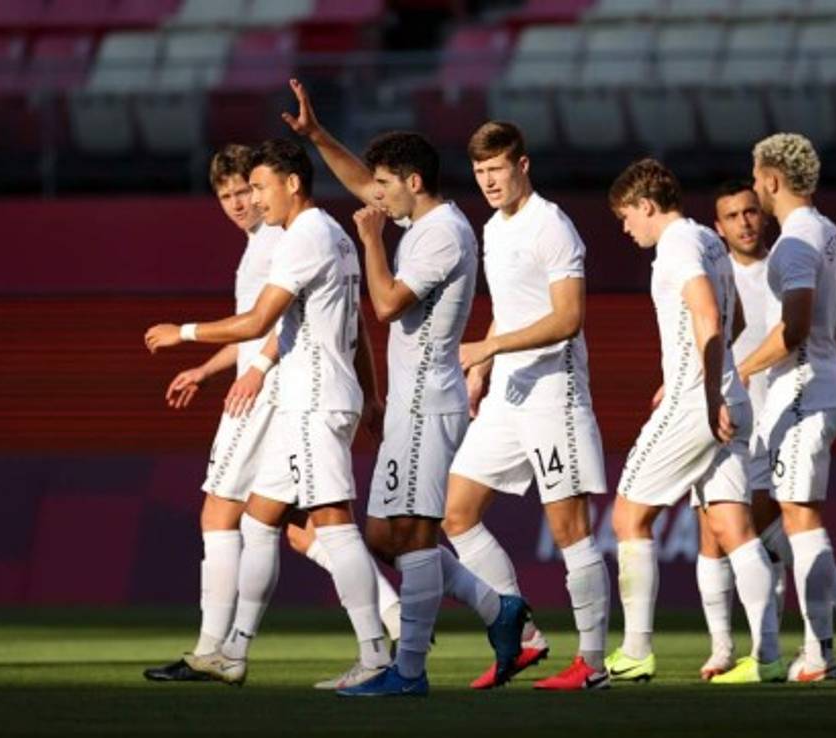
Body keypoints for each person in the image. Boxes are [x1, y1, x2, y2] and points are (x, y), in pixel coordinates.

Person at [279, 81, 529, 696]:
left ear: (413, 182)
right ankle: (499, 609)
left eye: (385, 185)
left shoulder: (443, 233)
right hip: (408, 407)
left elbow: (388, 303)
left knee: (415, 536)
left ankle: (409, 671)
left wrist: (370, 242)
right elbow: (363, 185)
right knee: (384, 537)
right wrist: (317, 137)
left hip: (427, 405)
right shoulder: (418, 217)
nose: (375, 195)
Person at [142, 144, 401, 683]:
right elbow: (352, 327)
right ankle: (232, 653)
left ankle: (377, 654)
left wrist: (183, 333)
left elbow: (259, 322)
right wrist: (370, 394)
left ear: (292, 184)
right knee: (260, 519)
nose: (254, 201)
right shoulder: (331, 233)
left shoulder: (302, 237)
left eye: (258, 188)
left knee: (333, 525)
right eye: (242, 192)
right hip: (308, 400)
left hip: (312, 399)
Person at [446, 120, 612, 691]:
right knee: (456, 512)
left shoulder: (553, 226)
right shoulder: (493, 228)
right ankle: (522, 636)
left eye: (497, 169)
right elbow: (510, 309)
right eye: (479, 172)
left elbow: (568, 318)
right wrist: (482, 372)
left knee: (570, 530)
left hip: (552, 395)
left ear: (522, 165)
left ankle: (593, 664)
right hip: (507, 395)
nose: (488, 181)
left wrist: (490, 347)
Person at [606, 158, 783, 685]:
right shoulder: (709, 239)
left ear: (645, 205)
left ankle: (636, 651)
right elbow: (737, 320)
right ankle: (768, 657)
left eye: (626, 216)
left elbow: (708, 313)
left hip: (698, 404)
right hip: (731, 396)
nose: (625, 228)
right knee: (734, 529)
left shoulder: (678, 244)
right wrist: (708, 374)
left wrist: (702, 391)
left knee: (627, 517)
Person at [738, 134, 836, 682]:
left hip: (803, 389)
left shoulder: (795, 242)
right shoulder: (830, 234)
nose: (755, 187)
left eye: (757, 177)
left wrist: (741, 369)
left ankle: (819, 650)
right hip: (815, 384)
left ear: (773, 179)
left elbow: (795, 327)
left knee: (800, 517)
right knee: (770, 513)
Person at [694, 179, 793, 680]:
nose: (745, 223)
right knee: (713, 532)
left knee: (762, 534)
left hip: (775, 421)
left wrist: (744, 370)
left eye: (751, 212)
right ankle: (722, 648)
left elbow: (793, 335)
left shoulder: (782, 270)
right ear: (719, 227)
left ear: (764, 214)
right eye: (732, 216)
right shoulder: (714, 274)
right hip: (724, 419)